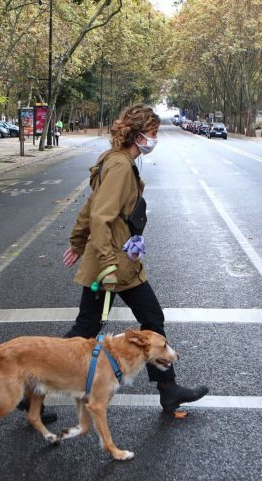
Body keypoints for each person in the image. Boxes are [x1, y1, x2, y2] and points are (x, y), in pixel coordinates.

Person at [21, 103, 208, 421]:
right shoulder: (120, 166)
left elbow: (91, 208)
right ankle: (33, 388)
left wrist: (79, 243)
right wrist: (105, 263)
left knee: (126, 321)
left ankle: (168, 389)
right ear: (137, 134)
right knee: (109, 326)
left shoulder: (113, 161)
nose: (154, 138)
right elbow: (101, 214)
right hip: (115, 264)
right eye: (152, 132)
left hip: (117, 261)